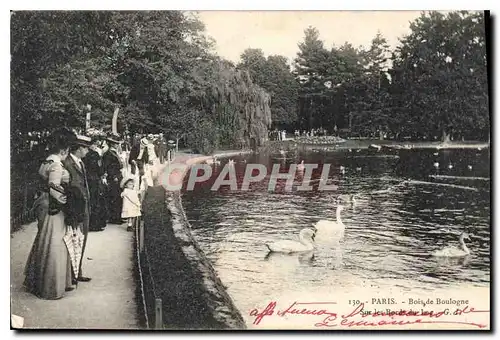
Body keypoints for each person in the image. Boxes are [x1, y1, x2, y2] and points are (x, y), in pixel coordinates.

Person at [24, 128, 76, 299]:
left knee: (44, 239)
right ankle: (51, 286)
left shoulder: (46, 161)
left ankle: (38, 281)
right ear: (64, 150)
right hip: (53, 207)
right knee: (55, 242)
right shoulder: (56, 164)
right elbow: (54, 188)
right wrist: (66, 202)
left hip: (43, 203)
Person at [63, 134, 92, 283]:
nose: (87, 151)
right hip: (75, 208)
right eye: (85, 148)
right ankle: (71, 275)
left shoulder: (80, 162)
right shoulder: (67, 163)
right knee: (73, 238)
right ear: (79, 148)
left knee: (81, 239)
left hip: (83, 206)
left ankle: (77, 271)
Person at [83, 137, 107, 232]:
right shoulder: (96, 155)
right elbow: (100, 169)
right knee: (96, 201)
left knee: (90, 201)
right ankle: (95, 224)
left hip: (87, 179)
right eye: (95, 145)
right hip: (94, 180)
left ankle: (89, 223)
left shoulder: (85, 155)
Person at [102, 134, 125, 224]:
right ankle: (114, 217)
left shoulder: (113, 153)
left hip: (117, 175)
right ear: (112, 144)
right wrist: (113, 176)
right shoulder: (108, 154)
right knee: (115, 197)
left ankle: (117, 216)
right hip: (114, 177)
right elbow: (108, 167)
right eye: (115, 143)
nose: (117, 145)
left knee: (118, 196)